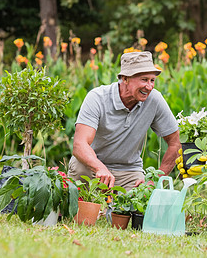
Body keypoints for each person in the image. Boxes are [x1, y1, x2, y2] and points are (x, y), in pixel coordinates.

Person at [68, 51, 180, 191]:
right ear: (125, 79)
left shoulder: (154, 100)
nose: (150, 86)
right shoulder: (97, 98)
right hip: (90, 167)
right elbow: (79, 144)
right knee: (83, 210)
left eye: (152, 80)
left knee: (137, 208)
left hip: (129, 173)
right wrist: (100, 168)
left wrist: (155, 180)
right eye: (144, 80)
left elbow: (176, 142)